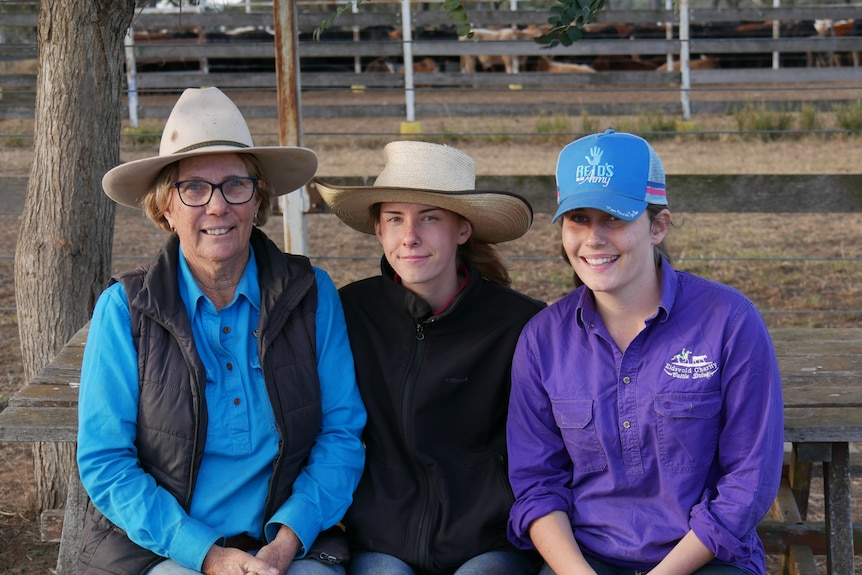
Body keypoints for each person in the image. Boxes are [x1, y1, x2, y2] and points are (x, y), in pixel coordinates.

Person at [76, 87, 366, 575]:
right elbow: (107, 462)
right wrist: (206, 555)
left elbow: (341, 433)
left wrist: (286, 542)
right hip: (167, 548)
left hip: (292, 543)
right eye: (193, 188)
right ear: (165, 208)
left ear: (258, 201)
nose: (217, 206)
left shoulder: (312, 294)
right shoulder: (124, 310)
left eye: (236, 185)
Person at [506, 130, 784, 575]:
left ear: (658, 226)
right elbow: (537, 483)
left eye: (614, 218)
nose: (593, 238)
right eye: (578, 218)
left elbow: (749, 482)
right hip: (585, 560)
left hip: (706, 558)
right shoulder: (542, 339)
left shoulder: (729, 320)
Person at [314, 140, 546, 575]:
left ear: (463, 229)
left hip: (490, 540)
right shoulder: (348, 313)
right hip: (381, 539)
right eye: (395, 219)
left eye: (430, 218)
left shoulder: (521, 324)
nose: (410, 236)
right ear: (378, 229)